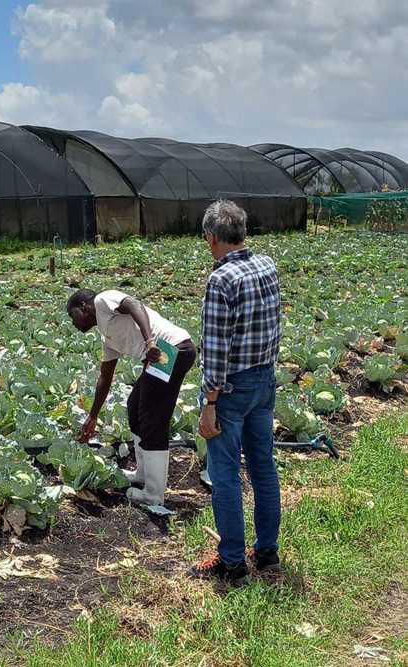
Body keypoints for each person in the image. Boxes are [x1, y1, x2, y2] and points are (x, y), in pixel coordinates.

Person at [191, 200, 282, 586]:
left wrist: (210, 403)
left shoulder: (221, 280)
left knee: (224, 473)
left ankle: (232, 564)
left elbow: (215, 349)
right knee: (263, 468)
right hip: (264, 381)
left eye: (206, 240)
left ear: (212, 237)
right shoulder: (267, 266)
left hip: (231, 389)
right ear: (242, 233)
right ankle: (267, 553)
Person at [67, 289, 196, 506]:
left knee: (152, 418)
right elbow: (105, 378)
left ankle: (154, 494)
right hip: (160, 354)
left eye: (73, 316)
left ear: (83, 306)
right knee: (134, 406)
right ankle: (142, 475)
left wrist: (149, 342)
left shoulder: (102, 300)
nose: (73, 323)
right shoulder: (107, 336)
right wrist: (92, 416)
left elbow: (134, 304)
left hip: (169, 349)